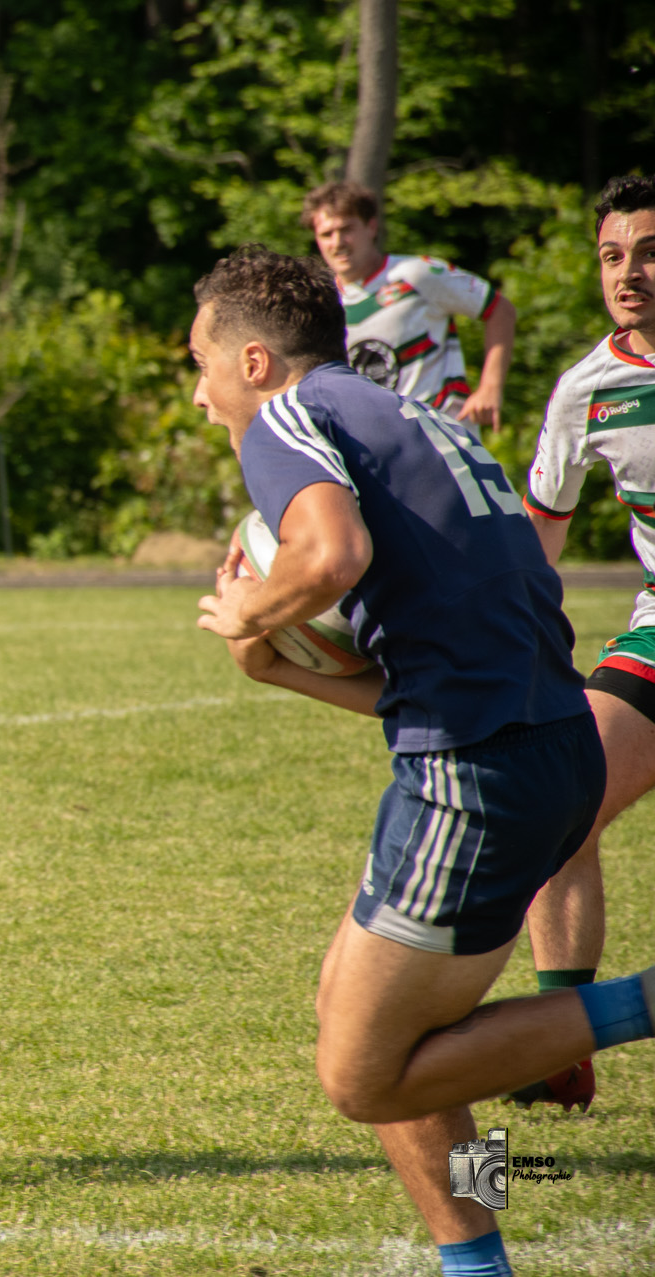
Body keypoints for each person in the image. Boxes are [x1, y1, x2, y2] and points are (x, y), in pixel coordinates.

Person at [189, 245, 652, 1277]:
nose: (197, 391)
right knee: (403, 1030)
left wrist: (249, 606)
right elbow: (422, 656)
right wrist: (278, 670)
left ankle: (641, 1006)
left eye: (202, 364)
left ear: (254, 361)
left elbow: (330, 558)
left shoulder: (285, 421)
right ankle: (477, 1255)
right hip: (544, 742)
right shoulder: (412, 413)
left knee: (361, 1075)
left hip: (471, 781)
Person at [511, 173, 655, 1112]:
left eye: (648, 252)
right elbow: (540, 539)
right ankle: (563, 1042)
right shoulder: (586, 390)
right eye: (612, 256)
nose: (628, 273)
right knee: (558, 802)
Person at [303, 181, 517, 432]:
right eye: (327, 234)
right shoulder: (320, 303)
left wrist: (490, 387)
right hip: (380, 450)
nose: (337, 242)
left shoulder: (419, 273)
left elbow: (500, 309)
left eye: (346, 229)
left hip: (445, 438)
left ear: (372, 226)